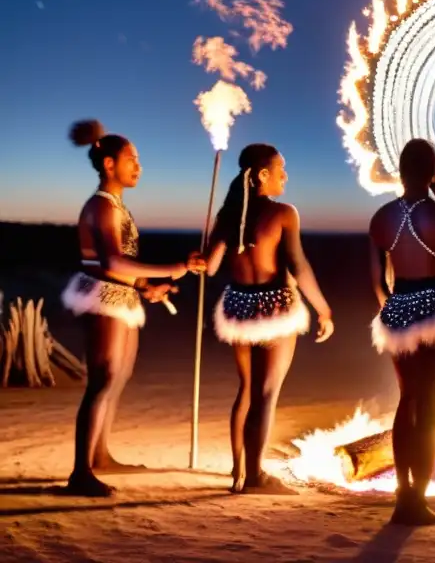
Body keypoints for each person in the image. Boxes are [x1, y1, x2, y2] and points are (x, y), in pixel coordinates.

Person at [62, 119, 204, 497]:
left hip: (122, 299)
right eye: (132, 159)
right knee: (103, 379)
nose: (138, 167)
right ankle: (80, 472)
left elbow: (123, 264)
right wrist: (175, 268)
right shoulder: (101, 207)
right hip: (103, 299)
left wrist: (146, 286)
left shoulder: (116, 207)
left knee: (118, 378)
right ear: (109, 164)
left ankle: (101, 456)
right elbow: (110, 264)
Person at [203, 144, 334, 494]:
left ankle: (238, 471)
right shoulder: (284, 213)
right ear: (262, 175)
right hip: (274, 309)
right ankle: (256, 476)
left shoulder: (229, 214)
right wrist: (322, 307)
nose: (285, 176)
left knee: (247, 389)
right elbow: (297, 264)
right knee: (266, 393)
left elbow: (210, 266)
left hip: (238, 308)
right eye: (280, 169)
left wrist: (199, 256)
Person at [368, 138, 435, 525]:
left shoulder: (381, 218)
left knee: (406, 399)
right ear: (432, 172)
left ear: (401, 170)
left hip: (399, 310)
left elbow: (377, 282)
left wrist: (394, 312)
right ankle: (419, 499)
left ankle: (403, 496)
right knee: (430, 407)